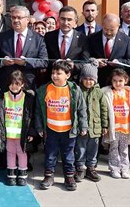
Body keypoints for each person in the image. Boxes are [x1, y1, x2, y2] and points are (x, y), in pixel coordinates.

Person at [35, 60, 87, 191]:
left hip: (69, 130)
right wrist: (40, 127)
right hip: (51, 129)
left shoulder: (74, 90)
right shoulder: (44, 90)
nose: (55, 76)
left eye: (59, 73)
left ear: (67, 75)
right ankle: (48, 176)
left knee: (68, 154)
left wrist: (83, 126)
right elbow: (38, 111)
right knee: (50, 153)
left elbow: (81, 109)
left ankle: (69, 176)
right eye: (53, 73)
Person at [0, 70, 35, 187]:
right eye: (12, 83)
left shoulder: (28, 98)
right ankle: (11, 174)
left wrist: (31, 132)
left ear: (22, 84)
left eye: (17, 84)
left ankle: (22, 175)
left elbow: (32, 116)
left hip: (22, 134)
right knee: (10, 154)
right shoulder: (2, 97)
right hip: (8, 134)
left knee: (22, 154)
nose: (14, 86)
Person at [0, 5, 48, 91]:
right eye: (13, 17)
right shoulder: (3, 37)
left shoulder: (38, 39)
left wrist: (26, 62)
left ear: (27, 19)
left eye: (19, 18)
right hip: (6, 84)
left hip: (28, 85)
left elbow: (44, 62)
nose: (16, 20)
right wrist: (2, 62)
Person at [102, 68, 130, 179]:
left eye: (120, 81)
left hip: (126, 127)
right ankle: (114, 168)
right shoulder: (109, 93)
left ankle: (124, 169)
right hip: (114, 128)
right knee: (113, 148)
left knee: (124, 149)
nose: (117, 83)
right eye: (115, 81)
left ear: (126, 80)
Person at [74, 63, 108, 183]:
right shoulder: (77, 91)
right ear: (81, 79)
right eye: (86, 79)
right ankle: (80, 167)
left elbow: (104, 109)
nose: (88, 82)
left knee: (93, 148)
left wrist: (105, 125)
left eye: (91, 79)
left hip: (96, 126)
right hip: (81, 127)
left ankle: (91, 168)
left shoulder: (99, 93)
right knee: (80, 148)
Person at [87, 13, 130, 87]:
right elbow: (86, 58)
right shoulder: (92, 38)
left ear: (118, 26)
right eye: (106, 29)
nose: (108, 32)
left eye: (112, 30)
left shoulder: (126, 39)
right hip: (97, 81)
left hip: (116, 83)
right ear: (102, 25)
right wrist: (95, 62)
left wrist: (119, 62)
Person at [44, 6, 90, 80]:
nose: (65, 23)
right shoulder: (49, 36)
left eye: (69, 20)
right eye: (63, 19)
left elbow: (85, 62)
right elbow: (44, 59)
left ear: (75, 21)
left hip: (73, 81)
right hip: (52, 80)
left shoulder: (83, 38)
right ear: (58, 19)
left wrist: (73, 65)